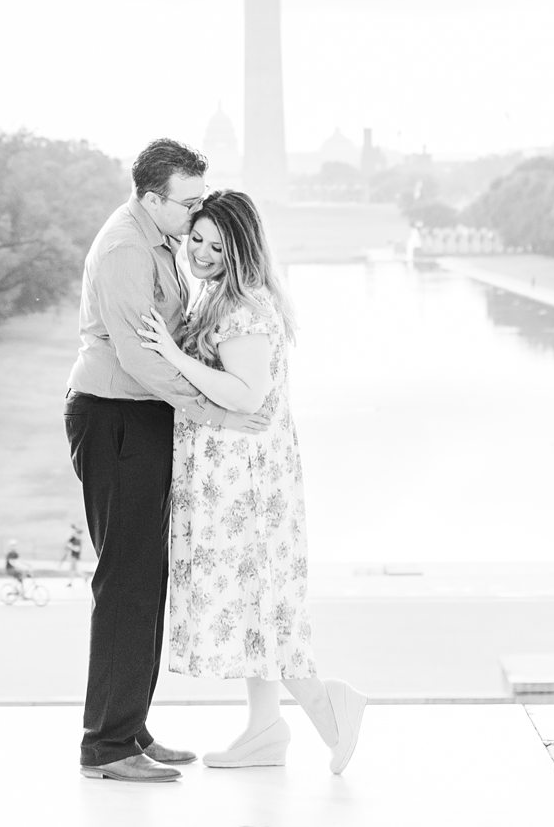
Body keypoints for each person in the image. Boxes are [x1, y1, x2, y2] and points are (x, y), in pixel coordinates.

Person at [138, 188, 366, 774]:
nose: (204, 253)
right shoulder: (221, 298)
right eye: (198, 239)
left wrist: (171, 352)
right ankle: (265, 728)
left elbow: (247, 394)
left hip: (247, 485)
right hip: (232, 476)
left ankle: (327, 706)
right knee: (251, 604)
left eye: (218, 245)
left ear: (241, 249)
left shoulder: (245, 309)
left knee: (264, 601)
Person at [64, 138, 271, 784]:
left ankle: (129, 728)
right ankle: (106, 745)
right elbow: (141, 359)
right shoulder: (128, 248)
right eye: (189, 202)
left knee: (143, 580)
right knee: (126, 581)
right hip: (117, 416)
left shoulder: (156, 240)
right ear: (152, 197)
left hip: (140, 419)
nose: (197, 211)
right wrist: (221, 413)